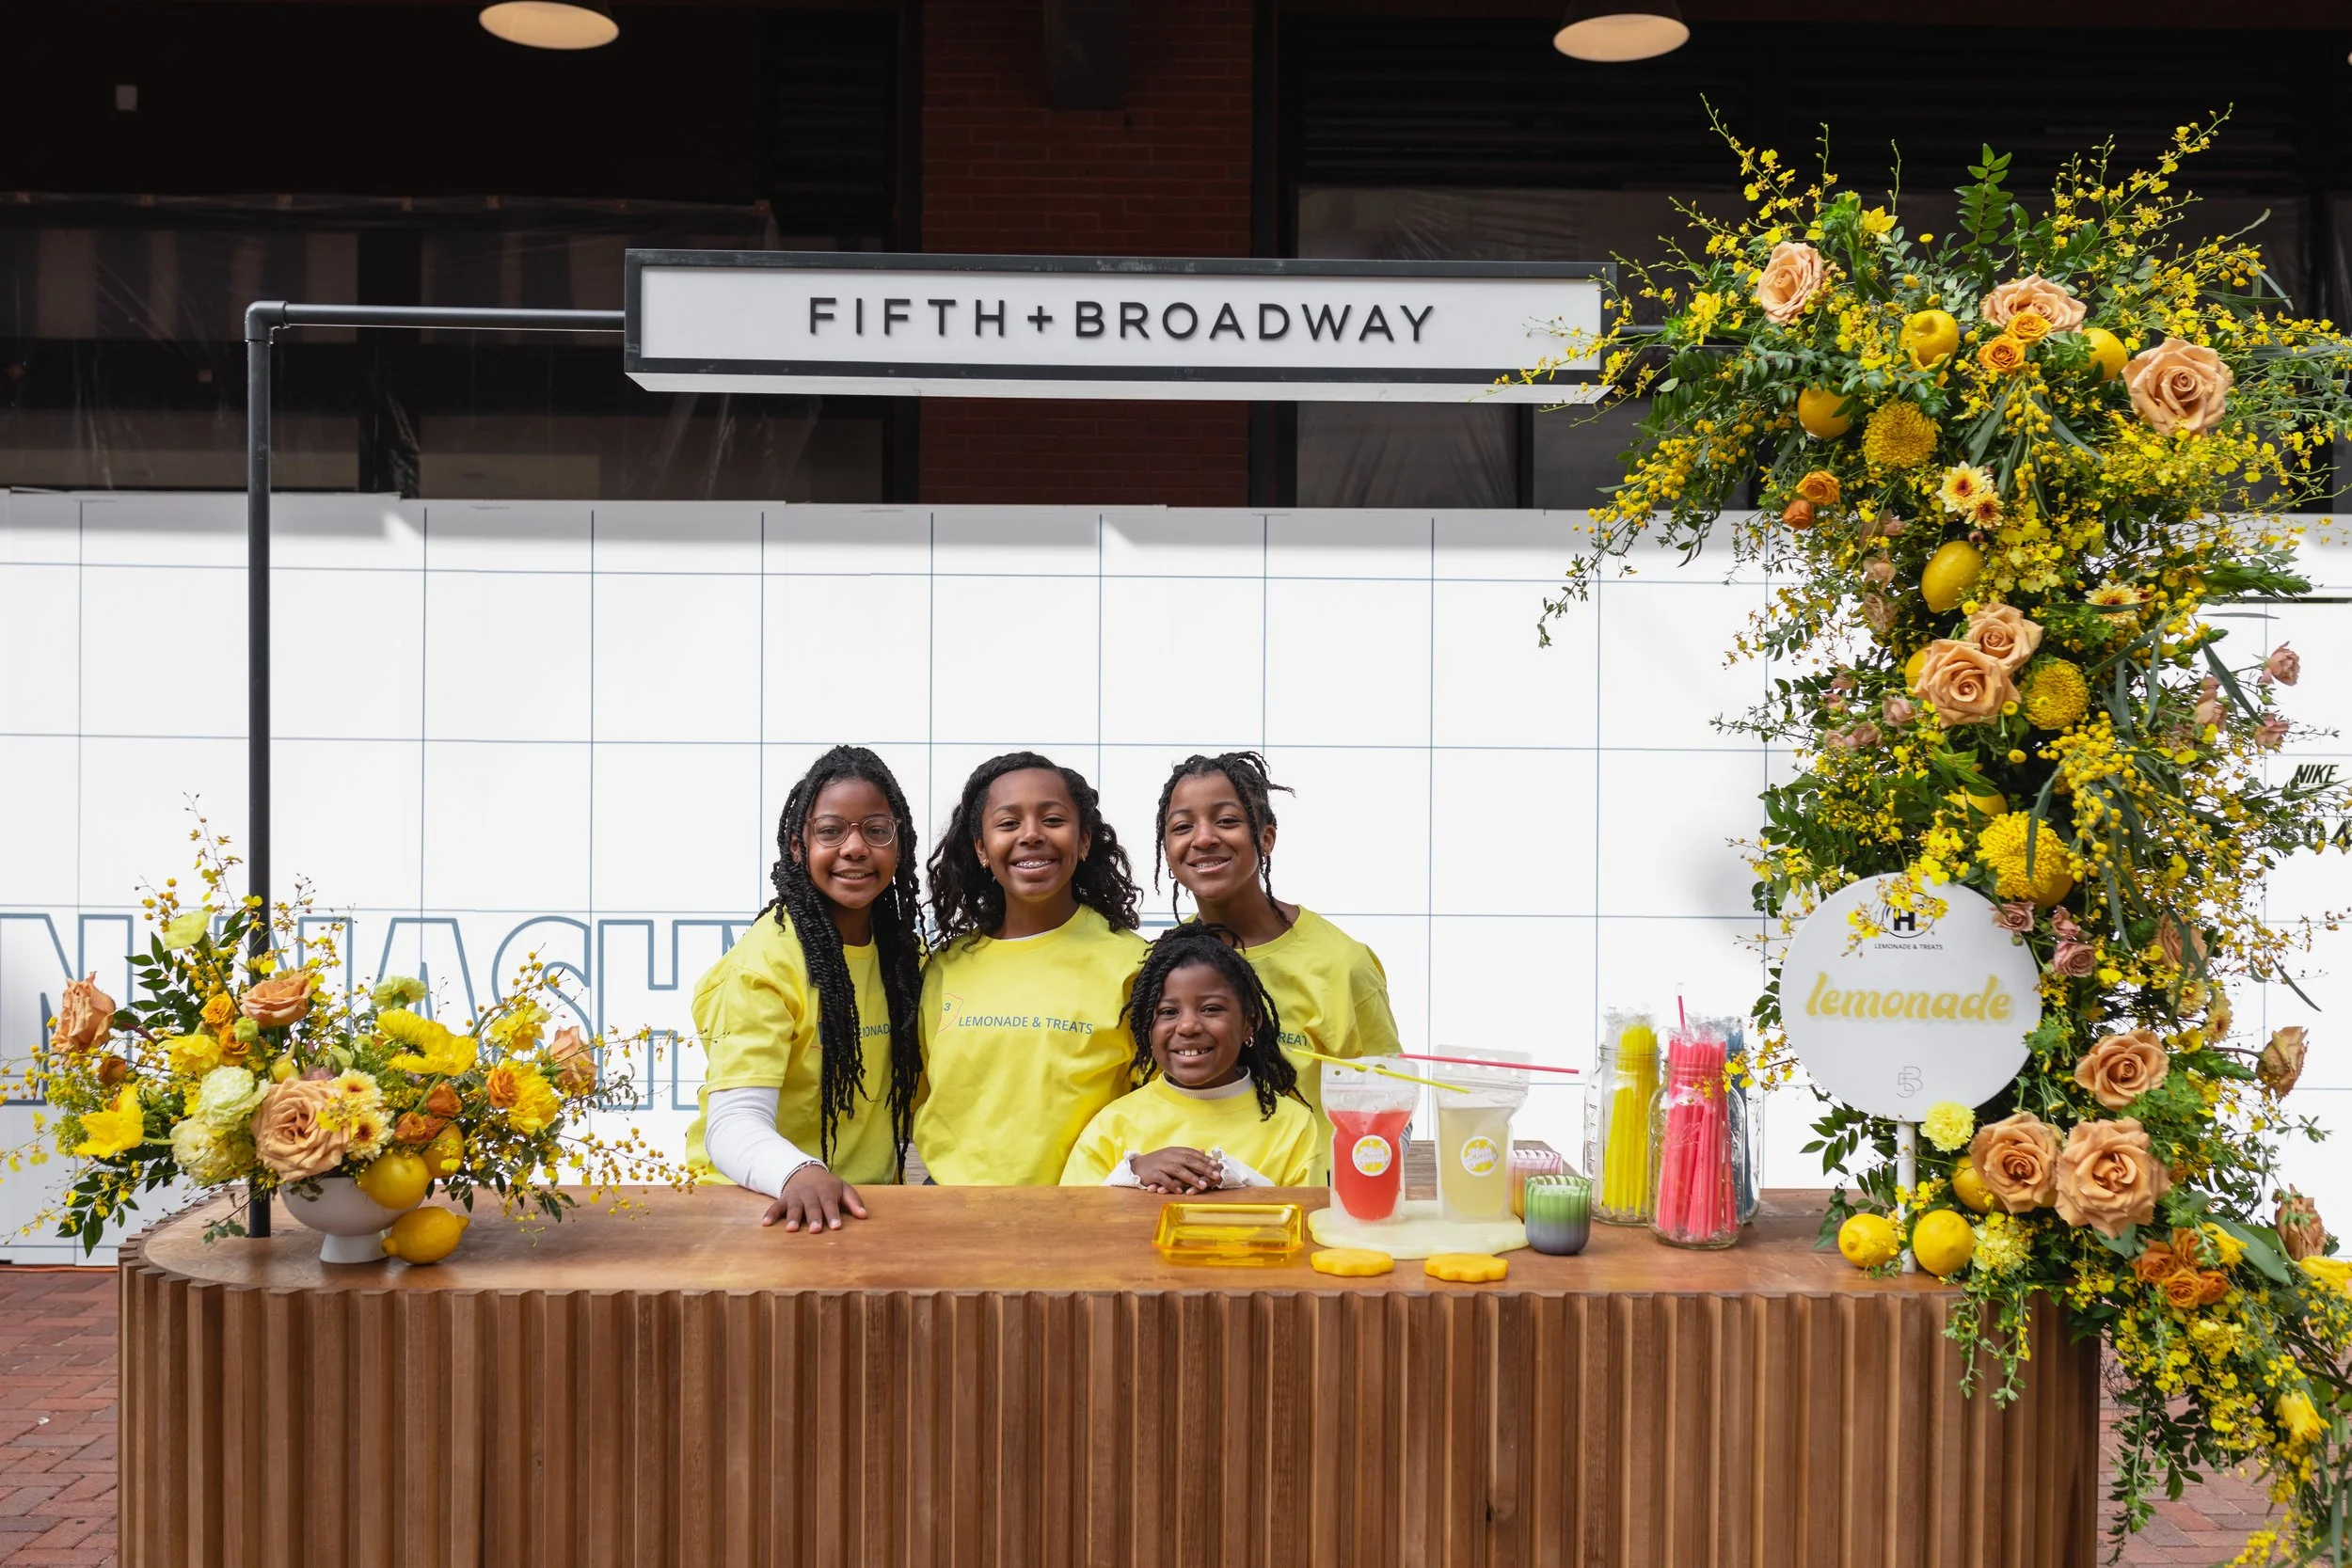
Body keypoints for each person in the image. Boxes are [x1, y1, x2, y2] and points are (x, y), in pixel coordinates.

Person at [684, 746, 925, 1232]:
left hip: (858, 1210)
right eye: (831, 831)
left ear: (899, 846)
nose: (855, 848)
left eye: (876, 831)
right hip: (755, 1206)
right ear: (798, 846)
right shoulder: (767, 962)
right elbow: (732, 1124)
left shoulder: (907, 959)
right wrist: (798, 1171)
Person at [1152, 752, 1402, 1175]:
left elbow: (1391, 1103)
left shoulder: (1343, 964)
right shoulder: (1165, 965)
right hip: (1187, 1210)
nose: (1204, 838)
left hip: (1309, 1207)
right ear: (1168, 850)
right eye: (1182, 827)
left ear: (1266, 838)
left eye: (1227, 820)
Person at [915, 751, 1147, 1184]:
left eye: (1053, 820)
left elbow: (1159, 1104)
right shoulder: (945, 968)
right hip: (947, 1212)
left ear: (1084, 841)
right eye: (1008, 824)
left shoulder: (1133, 965)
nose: (1031, 835)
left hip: (1082, 1210)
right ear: (982, 849)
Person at [1060, 922, 1317, 1190]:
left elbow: (1311, 1223)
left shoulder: (1293, 1127)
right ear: (1146, 1027)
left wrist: (1237, 1180)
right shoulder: (1114, 1124)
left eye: (1210, 1009)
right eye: (1168, 1012)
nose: (1188, 1026)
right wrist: (1131, 1174)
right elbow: (1074, 1221)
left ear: (1249, 1022)